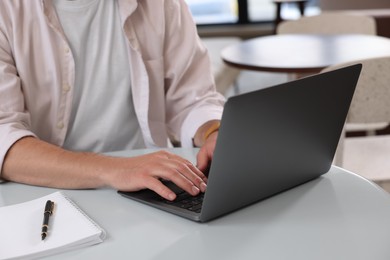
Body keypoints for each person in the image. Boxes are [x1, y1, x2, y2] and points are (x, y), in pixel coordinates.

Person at [0, 0, 225, 201]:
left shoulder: (162, 4)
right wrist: (118, 169)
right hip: (43, 196)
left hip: (148, 186)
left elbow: (194, 99)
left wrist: (212, 134)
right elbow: (5, 138)